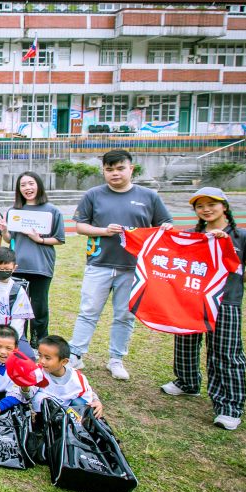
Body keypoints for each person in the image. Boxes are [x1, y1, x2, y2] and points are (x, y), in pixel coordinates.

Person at [160, 188, 246, 431]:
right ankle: (187, 382)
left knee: (225, 352)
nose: (206, 209)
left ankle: (229, 407)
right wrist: (164, 235)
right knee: (185, 342)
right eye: (199, 205)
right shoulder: (192, 236)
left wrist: (225, 285)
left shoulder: (242, 237)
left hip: (225, 303)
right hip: (191, 300)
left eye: (211, 204)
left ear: (224, 206)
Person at [68, 149, 172, 381]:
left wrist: (165, 228)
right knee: (88, 311)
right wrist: (103, 231)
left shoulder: (149, 196)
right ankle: (76, 353)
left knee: (125, 315)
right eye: (109, 169)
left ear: (131, 169)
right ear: (103, 171)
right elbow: (80, 226)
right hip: (99, 263)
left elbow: (165, 225)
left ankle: (116, 358)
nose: (115, 173)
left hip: (134, 268)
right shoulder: (94, 195)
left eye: (120, 168)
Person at [0, 171, 64, 348]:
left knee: (39, 307)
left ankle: (39, 343)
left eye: (31, 183)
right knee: (18, 307)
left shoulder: (52, 211)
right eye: (23, 185)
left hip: (41, 266)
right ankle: (20, 342)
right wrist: (4, 230)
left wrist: (40, 239)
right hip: (18, 267)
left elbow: (59, 239)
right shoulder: (14, 211)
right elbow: (9, 238)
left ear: (38, 185)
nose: (28, 188)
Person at [30, 335, 103, 418]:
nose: (42, 361)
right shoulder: (37, 372)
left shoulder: (76, 378)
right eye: (40, 356)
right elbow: (28, 394)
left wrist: (96, 401)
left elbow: (88, 392)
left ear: (64, 362)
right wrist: (25, 388)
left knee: (80, 403)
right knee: (41, 398)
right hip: (46, 414)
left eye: (47, 358)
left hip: (69, 413)